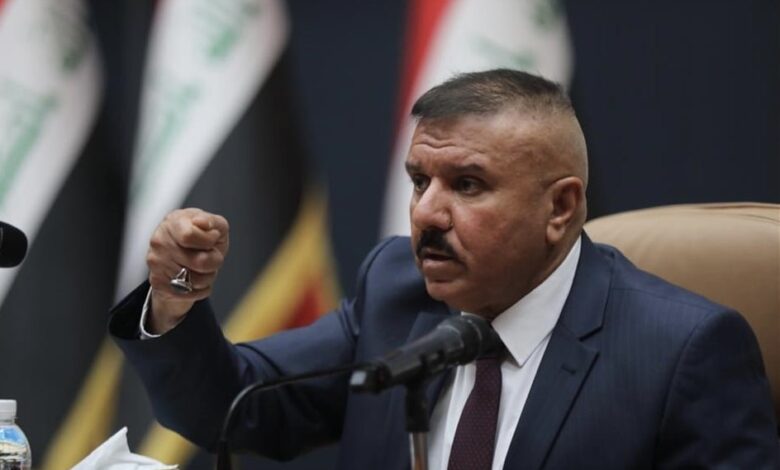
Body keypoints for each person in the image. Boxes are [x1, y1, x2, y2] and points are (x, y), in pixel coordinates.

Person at [110, 69, 780, 469]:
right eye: (418, 180)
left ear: (560, 208)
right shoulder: (398, 291)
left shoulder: (682, 352)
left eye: (467, 184)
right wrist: (176, 296)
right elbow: (232, 407)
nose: (426, 213)